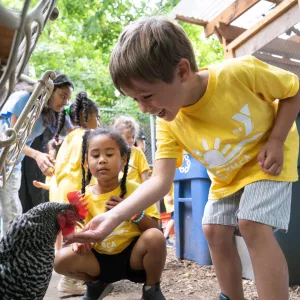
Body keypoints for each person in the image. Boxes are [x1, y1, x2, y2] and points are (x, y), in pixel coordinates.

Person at [65, 16, 300, 300]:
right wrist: (112, 217)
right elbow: (161, 181)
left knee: (252, 224)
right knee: (212, 229)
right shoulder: (168, 121)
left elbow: (293, 91)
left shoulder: (239, 73)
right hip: (228, 176)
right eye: (136, 100)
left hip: (269, 159)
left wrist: (276, 140)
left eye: (147, 96)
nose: (144, 108)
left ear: (182, 71)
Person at [54, 128, 166, 300]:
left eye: (109, 154)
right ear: (86, 162)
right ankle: (96, 285)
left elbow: (155, 227)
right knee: (60, 259)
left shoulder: (137, 190)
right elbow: (82, 232)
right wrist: (81, 243)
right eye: (96, 155)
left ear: (123, 160)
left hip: (133, 258)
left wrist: (132, 212)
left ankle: (151, 288)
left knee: (154, 237)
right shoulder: (83, 198)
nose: (102, 160)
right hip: (100, 262)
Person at [0, 74, 73, 237]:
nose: (65, 102)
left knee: (12, 210)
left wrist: (50, 155)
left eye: (68, 98)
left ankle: (7, 252)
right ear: (50, 90)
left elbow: (69, 134)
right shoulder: (24, 99)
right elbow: (13, 139)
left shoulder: (53, 113)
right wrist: (37, 156)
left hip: (12, 165)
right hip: (3, 154)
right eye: (62, 96)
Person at [50, 91, 100, 295]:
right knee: (82, 234)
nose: (99, 121)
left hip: (59, 192)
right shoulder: (90, 136)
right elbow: (90, 166)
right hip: (77, 192)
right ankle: (71, 279)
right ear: (87, 116)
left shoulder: (68, 137)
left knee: (68, 234)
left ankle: (71, 273)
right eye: (97, 116)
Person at [112, 115, 150, 184]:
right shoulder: (113, 153)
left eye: (133, 136)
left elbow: (145, 177)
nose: (132, 140)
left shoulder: (137, 152)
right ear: (118, 137)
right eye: (128, 137)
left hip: (136, 192)